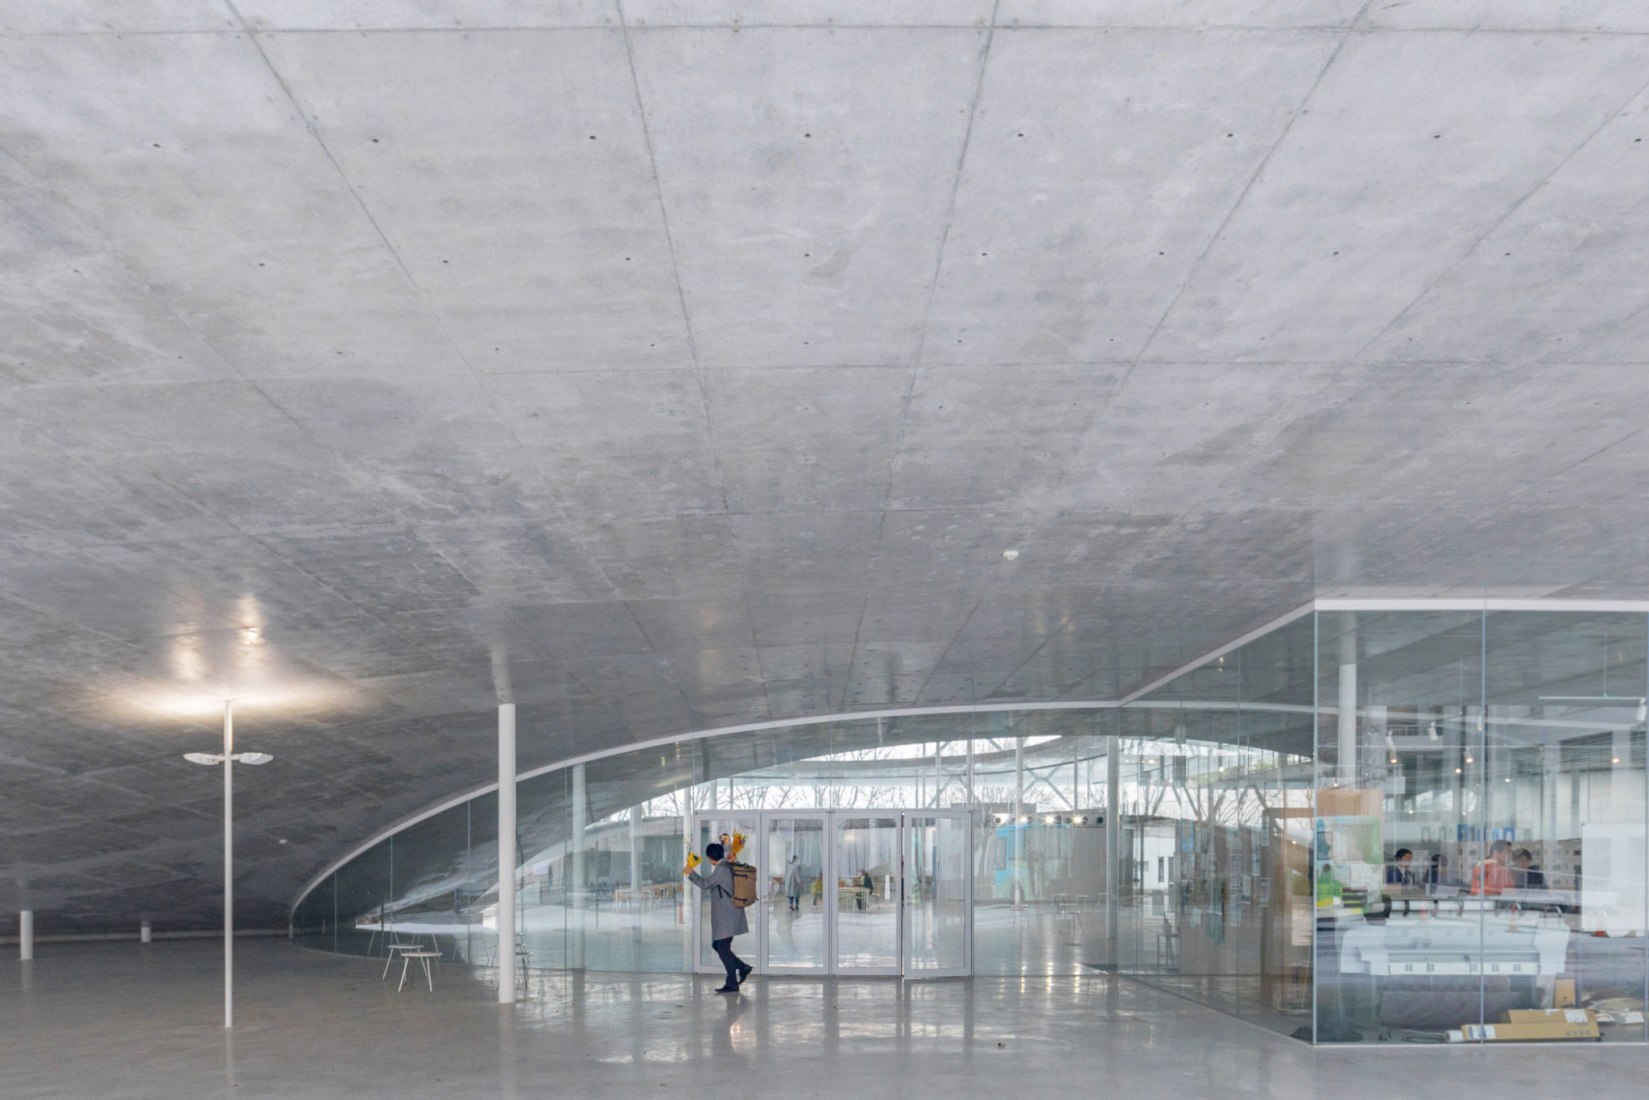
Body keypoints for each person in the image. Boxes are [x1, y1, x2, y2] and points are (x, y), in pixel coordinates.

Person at [685, 842, 752, 993]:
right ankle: (741, 968)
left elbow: (705, 884)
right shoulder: (727, 866)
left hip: (727, 916)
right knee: (719, 946)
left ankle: (734, 980)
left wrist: (691, 873)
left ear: (710, 857)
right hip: (730, 915)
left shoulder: (721, 869)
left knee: (722, 948)